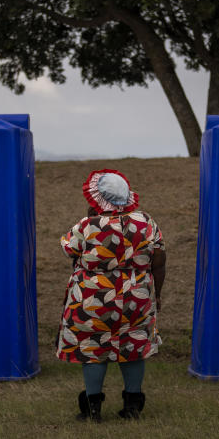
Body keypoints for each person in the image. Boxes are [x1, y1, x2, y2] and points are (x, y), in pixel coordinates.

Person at [56, 169, 166, 422]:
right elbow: (159, 260)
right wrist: (156, 295)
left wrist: (90, 219)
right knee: (134, 346)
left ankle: (93, 409)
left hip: (93, 298)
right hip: (136, 296)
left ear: (96, 198)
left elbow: (69, 250)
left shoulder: (87, 225)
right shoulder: (146, 222)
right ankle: (132, 407)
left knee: (93, 348)